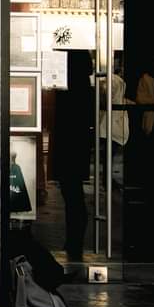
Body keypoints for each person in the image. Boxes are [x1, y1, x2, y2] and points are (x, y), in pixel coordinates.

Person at [52, 50, 93, 263]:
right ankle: (74, 240)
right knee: (74, 194)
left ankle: (73, 240)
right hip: (79, 147)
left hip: (68, 147)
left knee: (71, 195)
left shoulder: (68, 89)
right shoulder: (85, 87)